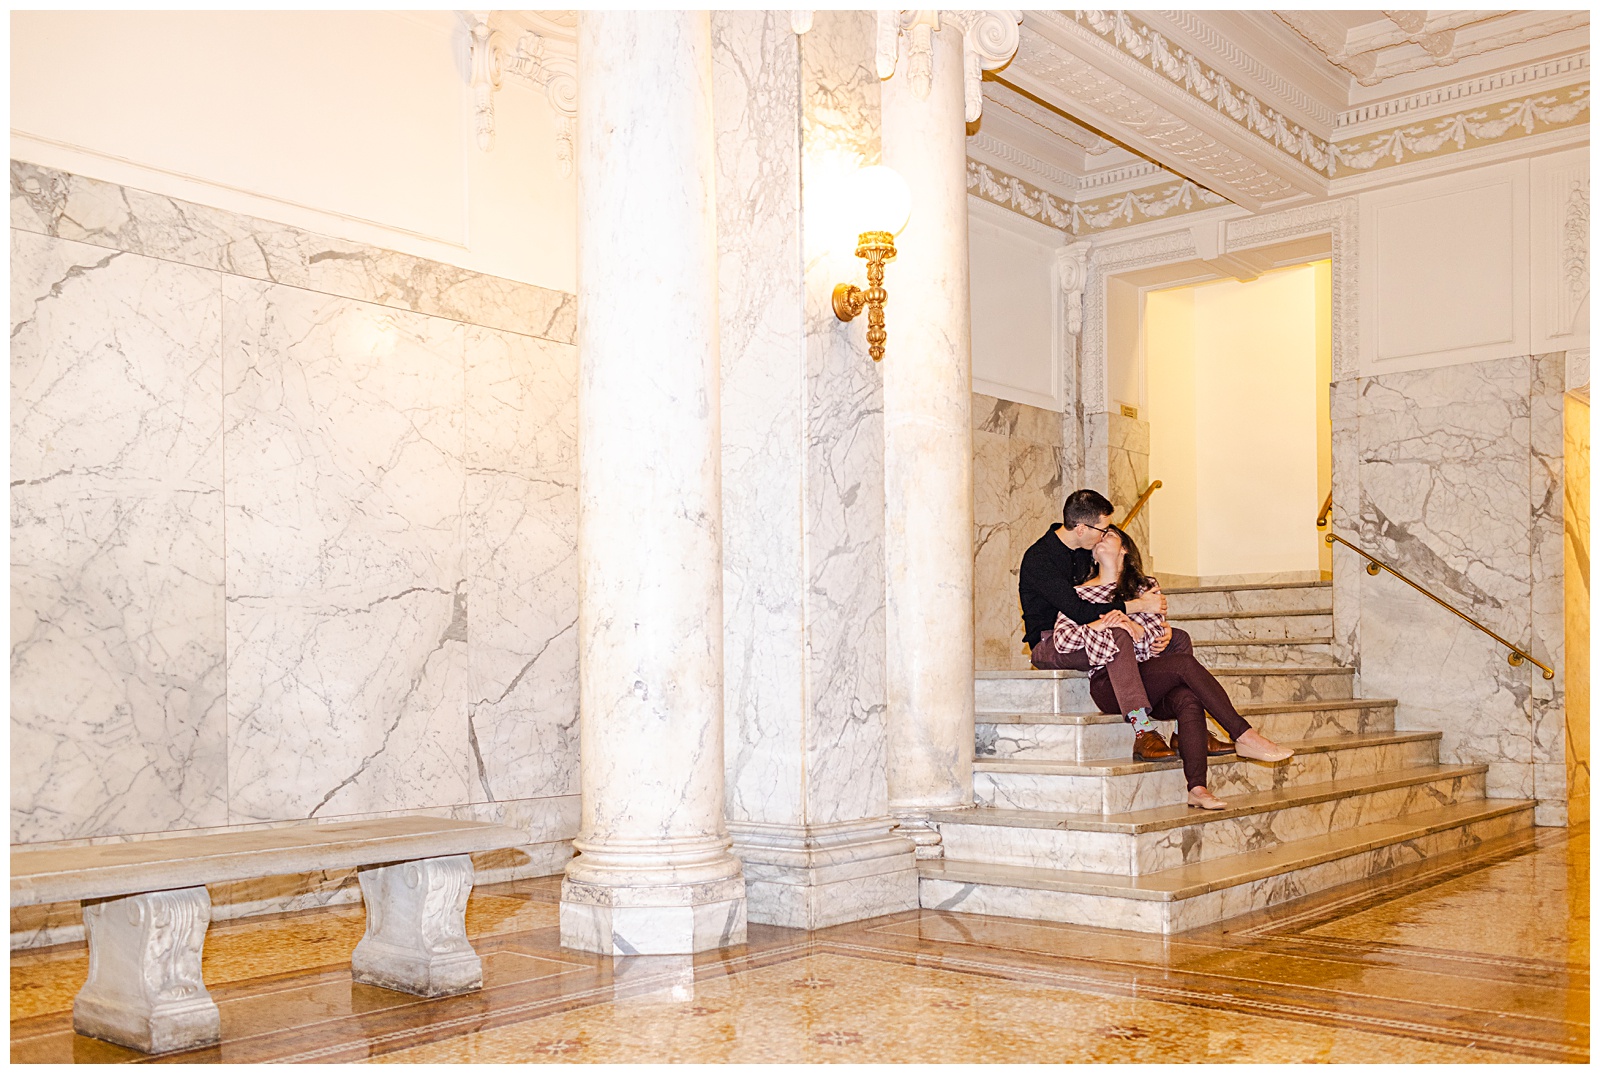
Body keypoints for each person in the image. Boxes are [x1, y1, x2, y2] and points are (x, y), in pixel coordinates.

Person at [1076, 525, 1295, 810]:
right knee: (1182, 663)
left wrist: (1134, 628)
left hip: (1148, 674)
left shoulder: (1145, 587)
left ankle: (1198, 788)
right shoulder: (1080, 594)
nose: (1101, 538)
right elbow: (1076, 642)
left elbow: (1155, 641)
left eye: (1110, 535)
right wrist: (1125, 629)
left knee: (1188, 697)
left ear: (1125, 549)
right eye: (1099, 535)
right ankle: (1244, 734)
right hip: (1109, 684)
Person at [1019, 489, 1175, 761]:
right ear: (1081, 528)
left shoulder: (1083, 552)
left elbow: (1106, 597)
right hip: (1052, 642)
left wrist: (1157, 629)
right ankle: (1142, 729)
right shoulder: (1040, 559)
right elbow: (1080, 612)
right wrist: (1138, 607)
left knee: (1177, 637)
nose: (1105, 535)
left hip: (1090, 633)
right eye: (1103, 529)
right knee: (1117, 635)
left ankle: (1188, 721)